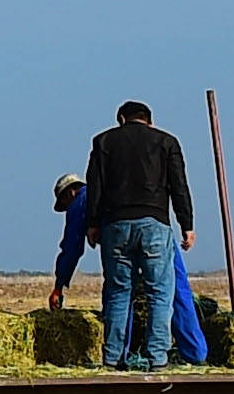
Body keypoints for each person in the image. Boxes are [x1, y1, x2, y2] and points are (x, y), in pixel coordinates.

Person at [51, 102, 203, 371]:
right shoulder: (167, 142)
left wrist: (94, 224)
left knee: (119, 293)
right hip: (155, 223)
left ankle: (112, 357)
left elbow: (95, 186)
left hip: (116, 227)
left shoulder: (103, 142)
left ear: (121, 119)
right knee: (160, 293)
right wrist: (187, 225)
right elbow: (179, 186)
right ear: (150, 121)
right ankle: (157, 358)